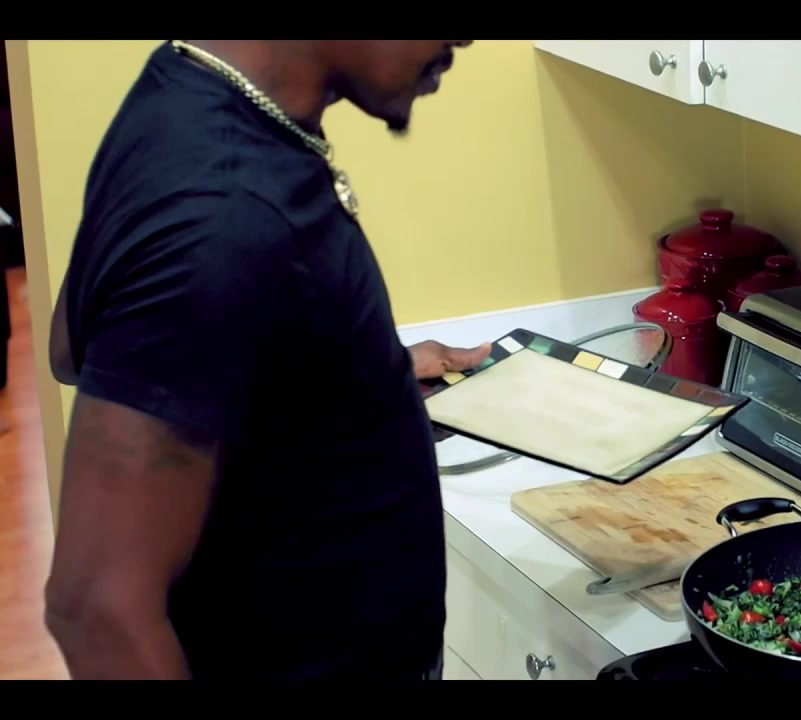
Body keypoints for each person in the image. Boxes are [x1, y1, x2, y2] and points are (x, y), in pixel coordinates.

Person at [42, 40, 490, 681]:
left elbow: (76, 344)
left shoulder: (185, 90)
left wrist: (351, 378)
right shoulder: (221, 215)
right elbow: (95, 610)